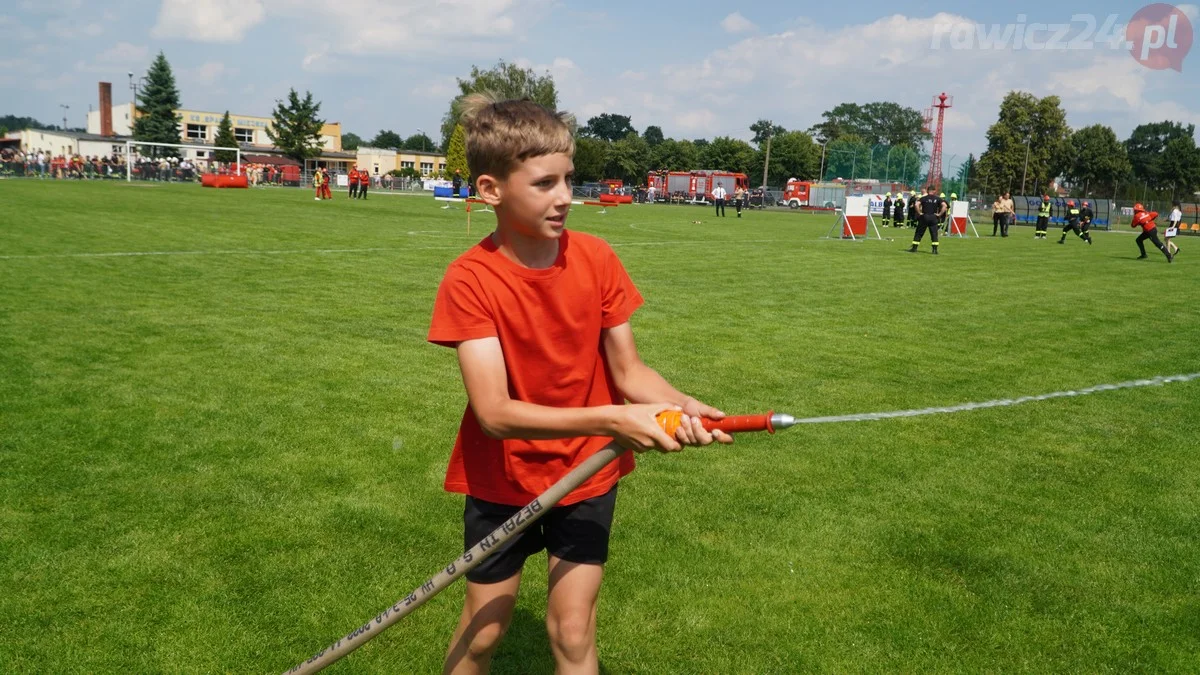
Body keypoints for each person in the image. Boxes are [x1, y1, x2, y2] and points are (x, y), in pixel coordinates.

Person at [428, 93, 734, 675]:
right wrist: (616, 420)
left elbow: (630, 373)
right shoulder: (469, 279)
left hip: (589, 473)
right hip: (504, 478)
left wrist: (687, 405)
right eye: (545, 183)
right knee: (485, 630)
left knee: (573, 630)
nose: (566, 197)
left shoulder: (596, 258)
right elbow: (494, 412)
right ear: (491, 190)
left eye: (569, 179)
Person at [908, 185, 946, 255]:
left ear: (928, 191)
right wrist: (939, 214)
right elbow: (945, 206)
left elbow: (916, 205)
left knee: (919, 233)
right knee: (934, 234)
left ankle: (914, 248)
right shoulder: (937, 199)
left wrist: (919, 213)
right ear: (934, 191)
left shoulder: (924, 198)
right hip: (933, 217)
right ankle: (934, 250)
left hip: (924, 217)